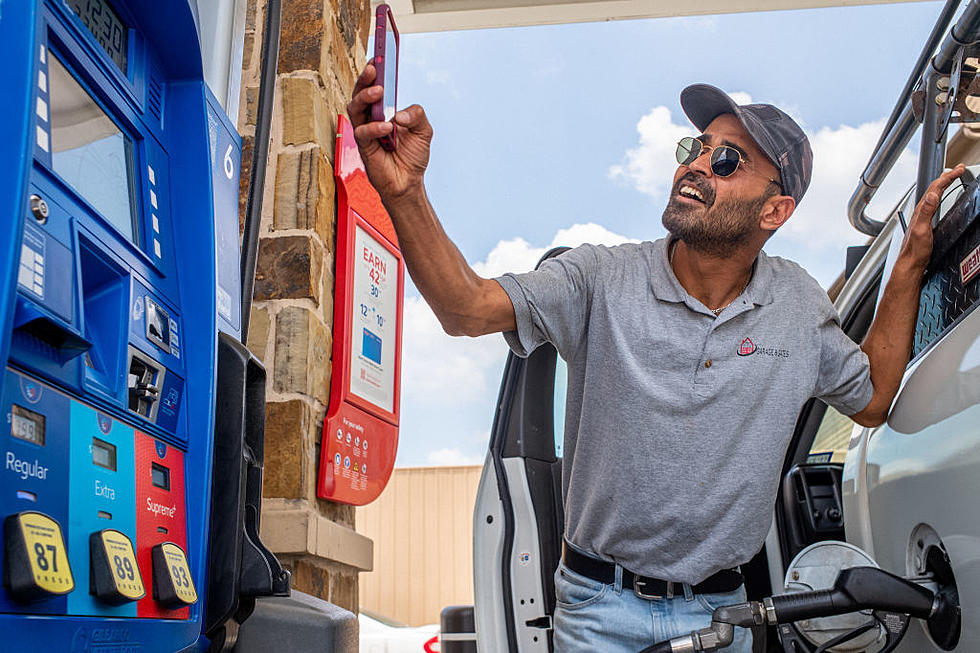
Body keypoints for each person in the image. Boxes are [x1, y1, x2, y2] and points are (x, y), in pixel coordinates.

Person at [347, 66, 964, 652]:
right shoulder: (600, 278)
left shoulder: (798, 308)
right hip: (597, 611)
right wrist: (404, 191)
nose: (696, 166)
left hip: (724, 612)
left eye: (727, 160)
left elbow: (876, 398)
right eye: (695, 149)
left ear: (775, 211)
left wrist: (908, 261)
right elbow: (465, 308)